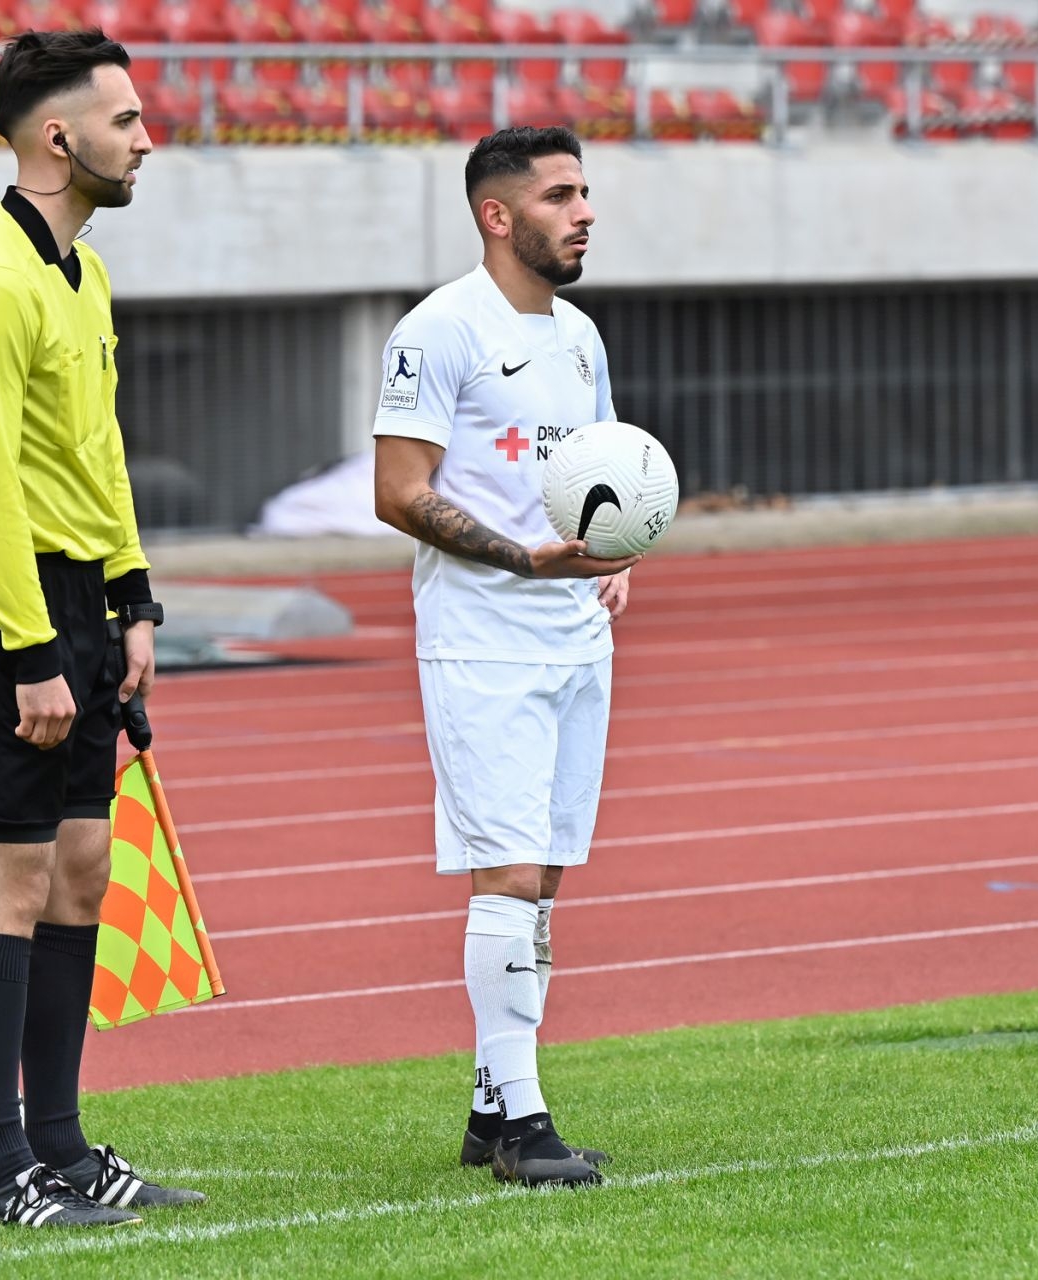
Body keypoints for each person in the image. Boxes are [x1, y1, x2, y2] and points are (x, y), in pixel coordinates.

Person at [0, 28, 201, 1230]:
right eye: (125, 120)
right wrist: (33, 652)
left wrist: (131, 597)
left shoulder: (81, 274)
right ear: (57, 136)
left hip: (82, 594)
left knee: (82, 868)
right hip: (5, 601)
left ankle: (61, 1145)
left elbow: (98, 452)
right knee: (12, 871)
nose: (146, 139)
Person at [371, 126, 637, 1188]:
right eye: (560, 195)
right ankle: (526, 1124)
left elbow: (604, 471)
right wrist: (525, 559)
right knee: (511, 873)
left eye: (585, 192)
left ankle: (492, 1106)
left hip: (578, 638)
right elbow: (399, 493)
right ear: (497, 214)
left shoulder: (580, 336)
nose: (585, 212)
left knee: (546, 877)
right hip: (481, 641)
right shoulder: (438, 330)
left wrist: (620, 552)